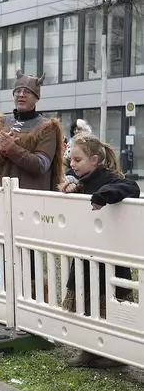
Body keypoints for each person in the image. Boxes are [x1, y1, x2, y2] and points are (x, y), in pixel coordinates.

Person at [59, 133, 139, 367]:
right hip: (86, 250)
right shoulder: (81, 180)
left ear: (94, 160)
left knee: (109, 304)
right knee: (86, 301)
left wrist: (103, 195)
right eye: (71, 160)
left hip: (109, 255)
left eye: (77, 160)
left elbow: (131, 186)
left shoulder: (108, 178)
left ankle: (115, 352)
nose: (72, 165)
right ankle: (89, 348)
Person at [0, 70, 64, 191]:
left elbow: (41, 165)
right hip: (1, 196)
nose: (21, 95)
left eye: (27, 92)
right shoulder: (1, 122)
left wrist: (12, 149)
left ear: (36, 98)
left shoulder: (47, 127)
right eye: (18, 91)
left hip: (31, 199)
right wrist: (1, 151)